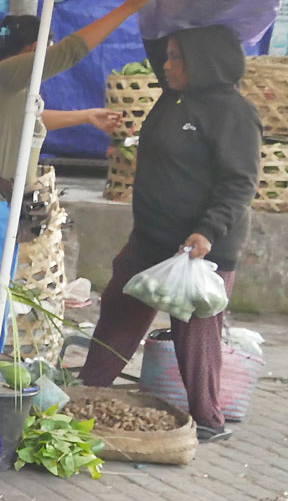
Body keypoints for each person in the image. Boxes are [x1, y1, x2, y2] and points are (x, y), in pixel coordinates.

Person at [0, 0, 171, 355]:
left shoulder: (14, 90)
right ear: (33, 49)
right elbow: (71, 52)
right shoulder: (5, 75)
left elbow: (32, 120)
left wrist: (85, 117)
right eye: (43, 52)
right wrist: (130, 6)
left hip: (1, 205)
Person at [78, 25, 259, 443]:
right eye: (168, 55)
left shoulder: (233, 112)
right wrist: (159, 11)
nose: (167, 64)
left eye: (177, 58)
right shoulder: (174, 98)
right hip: (150, 239)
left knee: (194, 335)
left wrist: (207, 231)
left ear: (203, 64)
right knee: (118, 315)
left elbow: (240, 183)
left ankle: (207, 419)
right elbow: (160, 46)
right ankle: (84, 396)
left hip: (199, 249)